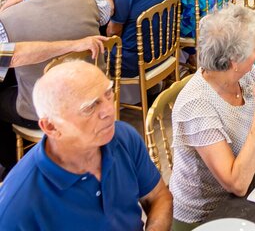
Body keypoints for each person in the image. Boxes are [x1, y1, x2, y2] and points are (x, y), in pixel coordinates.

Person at [169, 7, 255, 228]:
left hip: (250, 187)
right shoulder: (196, 105)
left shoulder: (248, 74)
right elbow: (237, 184)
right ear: (234, 61)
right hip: (206, 216)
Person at [0, 61, 172, 231]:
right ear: (51, 127)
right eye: (89, 107)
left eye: (108, 94)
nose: (109, 110)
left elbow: (158, 196)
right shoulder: (17, 208)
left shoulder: (123, 136)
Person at [0, 0, 112, 170]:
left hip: (43, 111)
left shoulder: (7, 20)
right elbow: (107, 13)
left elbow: (6, 60)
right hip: (93, 93)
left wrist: (3, 12)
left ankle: (18, 168)